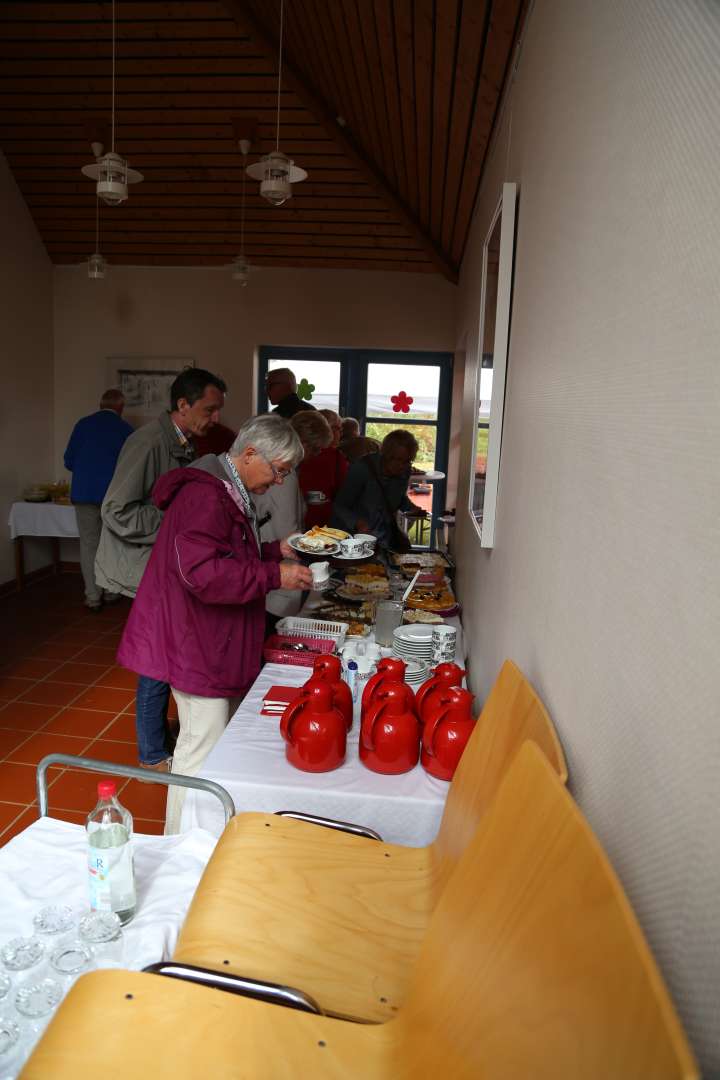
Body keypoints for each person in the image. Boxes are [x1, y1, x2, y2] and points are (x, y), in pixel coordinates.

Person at [117, 414, 312, 833]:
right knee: (198, 746)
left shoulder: (224, 488)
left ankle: (195, 834)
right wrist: (275, 576)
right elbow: (203, 574)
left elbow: (225, 552)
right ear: (249, 454)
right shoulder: (207, 495)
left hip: (200, 636)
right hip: (192, 640)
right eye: (279, 471)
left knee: (203, 741)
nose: (280, 482)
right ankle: (180, 844)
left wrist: (273, 550)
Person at [96, 367, 227, 774]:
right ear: (183, 406)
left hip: (157, 565)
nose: (216, 418)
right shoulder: (149, 442)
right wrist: (173, 523)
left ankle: (160, 739)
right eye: (210, 409)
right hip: (139, 568)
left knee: (164, 657)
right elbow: (115, 510)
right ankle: (152, 752)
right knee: (158, 661)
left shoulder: (180, 442)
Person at [63, 388, 133, 612]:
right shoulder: (124, 429)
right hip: (113, 496)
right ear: (120, 407)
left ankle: (92, 597)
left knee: (88, 545)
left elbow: (69, 461)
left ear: (100, 404)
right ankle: (112, 591)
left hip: (83, 494)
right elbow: (131, 466)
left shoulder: (82, 424)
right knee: (112, 543)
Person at [330, 429, 427, 549]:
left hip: (383, 538)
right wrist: (357, 523)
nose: (402, 466)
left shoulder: (405, 471)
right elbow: (340, 505)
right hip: (352, 538)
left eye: (407, 461)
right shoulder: (362, 469)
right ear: (385, 454)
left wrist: (411, 508)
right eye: (397, 459)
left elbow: (398, 498)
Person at [297, 408, 348, 528]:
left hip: (298, 518)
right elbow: (344, 494)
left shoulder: (299, 451)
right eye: (337, 428)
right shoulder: (336, 457)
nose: (340, 433)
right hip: (324, 524)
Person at [289, 412, 332, 528]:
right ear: (302, 443)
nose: (316, 454)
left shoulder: (295, 466)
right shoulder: (284, 470)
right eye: (315, 449)